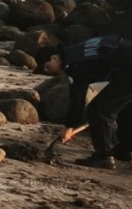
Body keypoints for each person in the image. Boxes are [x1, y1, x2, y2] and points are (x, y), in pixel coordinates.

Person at [35, 35, 132, 169]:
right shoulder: (75, 51)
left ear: (55, 58)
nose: (48, 72)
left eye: (46, 67)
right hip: (126, 65)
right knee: (122, 107)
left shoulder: (73, 64)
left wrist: (69, 127)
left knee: (99, 110)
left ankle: (104, 156)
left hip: (127, 69)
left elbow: (77, 98)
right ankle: (124, 150)